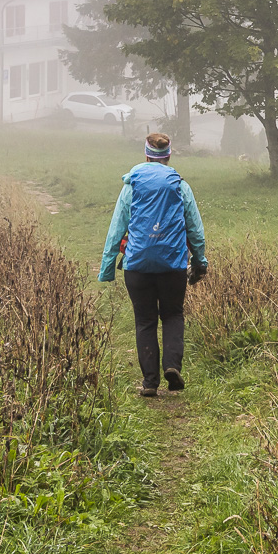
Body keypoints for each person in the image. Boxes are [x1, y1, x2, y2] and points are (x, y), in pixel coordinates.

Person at [98, 131, 208, 397]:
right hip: (173, 267)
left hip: (137, 266)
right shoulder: (180, 186)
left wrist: (107, 267)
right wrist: (199, 261)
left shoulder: (131, 186)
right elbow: (195, 230)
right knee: (172, 315)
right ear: (168, 156)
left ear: (146, 155)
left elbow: (116, 229)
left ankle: (149, 383)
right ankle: (172, 366)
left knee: (144, 321)